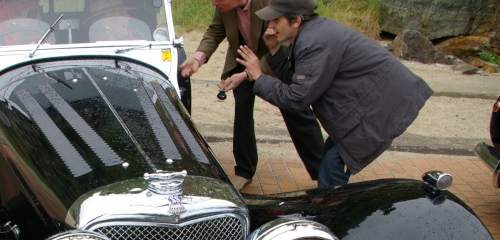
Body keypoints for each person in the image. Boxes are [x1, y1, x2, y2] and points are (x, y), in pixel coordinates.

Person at [231, 0, 433, 188]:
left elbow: (296, 98)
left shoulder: (313, 42)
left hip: (379, 108)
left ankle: (333, 219)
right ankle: (332, 211)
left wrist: (258, 76)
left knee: (330, 172)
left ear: (296, 21)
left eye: (276, 19)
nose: (271, 24)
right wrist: (274, 49)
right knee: (328, 163)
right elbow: (298, 81)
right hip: (367, 106)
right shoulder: (310, 33)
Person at [179, 0, 324, 188]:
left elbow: (287, 39)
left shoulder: (270, 3)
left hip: (276, 57)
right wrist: (198, 59)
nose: (214, 2)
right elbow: (215, 31)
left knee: (296, 111)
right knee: (242, 111)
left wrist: (251, 72)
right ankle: (244, 170)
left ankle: (323, 171)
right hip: (243, 59)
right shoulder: (224, 6)